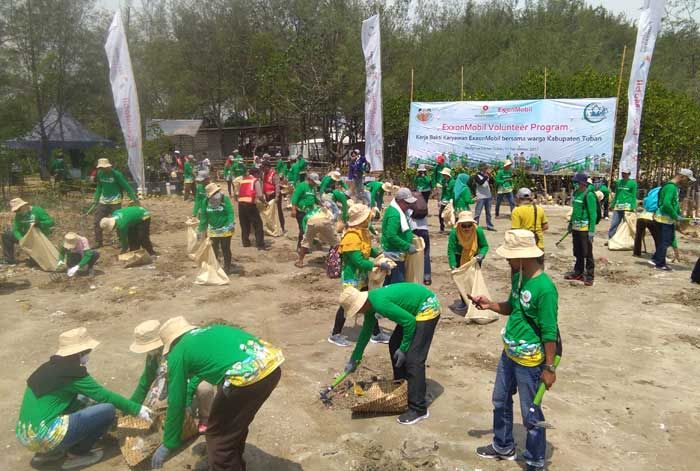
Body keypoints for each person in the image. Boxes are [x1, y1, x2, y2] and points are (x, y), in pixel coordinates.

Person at [471, 230, 558, 471]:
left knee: (530, 413)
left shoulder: (545, 288)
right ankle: (502, 445)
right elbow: (513, 307)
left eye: (511, 256)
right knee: (500, 400)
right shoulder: (519, 277)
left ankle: (535, 459)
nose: (507, 260)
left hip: (530, 361)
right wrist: (490, 304)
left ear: (524, 257)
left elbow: (549, 332)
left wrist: (549, 368)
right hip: (509, 353)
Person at [150, 317, 284, 471]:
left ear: (169, 344)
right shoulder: (209, 332)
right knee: (233, 427)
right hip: (271, 366)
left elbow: (176, 402)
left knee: (218, 438)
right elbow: (211, 367)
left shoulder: (177, 354)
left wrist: (169, 443)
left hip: (248, 379)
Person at [16, 327, 148, 469]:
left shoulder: (48, 368)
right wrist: (137, 409)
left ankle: (50, 452)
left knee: (83, 400)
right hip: (45, 436)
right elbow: (104, 396)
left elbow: (73, 401)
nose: (88, 355)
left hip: (26, 435)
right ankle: (77, 454)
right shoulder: (73, 373)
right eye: (87, 352)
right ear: (80, 353)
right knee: (107, 410)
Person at [341, 283, 441, 425]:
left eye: (357, 310)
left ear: (361, 304)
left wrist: (404, 348)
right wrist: (354, 358)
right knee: (394, 344)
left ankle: (418, 409)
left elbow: (410, 322)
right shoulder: (370, 304)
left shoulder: (379, 303)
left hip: (427, 308)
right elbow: (365, 333)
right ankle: (402, 386)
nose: (358, 313)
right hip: (412, 311)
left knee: (414, 359)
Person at [129, 320, 215, 434]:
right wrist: (130, 407)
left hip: (191, 379)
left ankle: (205, 417)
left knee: (205, 388)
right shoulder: (153, 356)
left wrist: (186, 398)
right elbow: (144, 382)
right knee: (159, 411)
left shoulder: (182, 349)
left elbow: (199, 374)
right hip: (170, 384)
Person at [328, 204, 390, 347]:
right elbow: (358, 262)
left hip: (361, 277)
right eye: (368, 217)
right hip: (352, 278)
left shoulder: (362, 232)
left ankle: (375, 333)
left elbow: (368, 250)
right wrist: (378, 265)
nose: (370, 219)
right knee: (347, 304)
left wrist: (380, 254)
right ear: (361, 220)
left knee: (369, 304)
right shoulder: (351, 237)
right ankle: (335, 334)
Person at [650, 169, 696, 270]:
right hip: (664, 219)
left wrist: (678, 214)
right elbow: (666, 204)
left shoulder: (671, 186)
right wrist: (675, 216)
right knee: (665, 241)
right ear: (682, 177)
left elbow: (672, 203)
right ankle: (659, 264)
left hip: (666, 219)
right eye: (687, 180)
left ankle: (656, 258)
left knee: (667, 240)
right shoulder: (671, 187)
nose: (687, 182)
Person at [92, 158, 139, 248]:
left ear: (109, 166)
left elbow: (126, 186)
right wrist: (95, 198)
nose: (103, 169)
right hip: (103, 201)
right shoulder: (100, 174)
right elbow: (99, 187)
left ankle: (121, 241)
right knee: (97, 221)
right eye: (101, 167)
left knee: (117, 222)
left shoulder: (116, 174)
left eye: (104, 167)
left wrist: (133, 198)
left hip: (115, 201)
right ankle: (99, 242)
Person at [447, 211, 489, 311]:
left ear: (473, 224)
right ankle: (464, 300)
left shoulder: (478, 231)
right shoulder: (454, 232)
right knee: (462, 280)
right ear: (459, 225)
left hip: (475, 257)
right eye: (464, 226)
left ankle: (477, 301)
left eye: (469, 225)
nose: (467, 228)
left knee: (474, 280)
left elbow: (484, 246)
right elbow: (451, 250)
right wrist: (453, 264)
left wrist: (481, 255)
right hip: (459, 256)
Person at [564, 173, 597, 286]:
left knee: (587, 253)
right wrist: (570, 225)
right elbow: (575, 211)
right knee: (577, 252)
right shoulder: (576, 193)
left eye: (576, 182)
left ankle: (589, 276)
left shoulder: (589, 195)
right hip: (576, 227)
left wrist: (591, 231)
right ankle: (578, 273)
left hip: (585, 229)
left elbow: (593, 214)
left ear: (582, 183)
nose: (575, 184)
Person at [381, 188, 418, 284]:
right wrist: (407, 246)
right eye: (407, 203)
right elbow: (391, 235)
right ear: (399, 201)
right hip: (393, 255)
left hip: (396, 253)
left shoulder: (398, 211)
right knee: (397, 284)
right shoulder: (395, 214)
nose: (409, 206)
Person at [2, 198, 54, 265]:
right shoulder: (19, 215)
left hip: (39, 238)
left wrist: (39, 223)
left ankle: (35, 258)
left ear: (24, 205)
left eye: (18, 209)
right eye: (15, 211)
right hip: (26, 237)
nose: (17, 212)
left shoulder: (38, 210)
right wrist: (20, 239)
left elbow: (51, 222)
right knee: (7, 235)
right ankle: (9, 260)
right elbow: (16, 229)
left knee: (33, 263)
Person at [295, 192, 340, 268]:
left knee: (305, 242)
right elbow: (331, 222)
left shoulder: (308, 214)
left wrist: (314, 241)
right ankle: (336, 260)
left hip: (312, 221)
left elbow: (304, 229)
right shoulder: (326, 210)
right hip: (325, 220)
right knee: (335, 241)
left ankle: (300, 261)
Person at [198, 183, 235, 274]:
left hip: (225, 228)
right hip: (213, 230)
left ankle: (227, 268)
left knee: (225, 248)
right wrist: (200, 230)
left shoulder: (224, 199)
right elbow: (204, 217)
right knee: (214, 249)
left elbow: (230, 212)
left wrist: (230, 223)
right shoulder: (205, 202)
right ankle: (215, 267)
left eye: (217, 192)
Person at [511, 188, 548, 264]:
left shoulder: (516, 211)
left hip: (524, 245)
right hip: (539, 244)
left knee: (524, 270)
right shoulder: (539, 209)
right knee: (539, 270)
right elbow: (545, 226)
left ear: (518, 198)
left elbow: (515, 231)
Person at [238, 167, 266, 250]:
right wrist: (264, 202)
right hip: (250, 204)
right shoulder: (255, 181)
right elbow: (260, 195)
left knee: (244, 224)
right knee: (258, 224)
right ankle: (260, 243)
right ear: (256, 174)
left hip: (241, 204)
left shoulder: (243, 180)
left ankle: (245, 242)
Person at [291, 172, 320, 250]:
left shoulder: (313, 188)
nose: (315, 184)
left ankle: (307, 245)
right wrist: (293, 209)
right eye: (314, 182)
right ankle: (300, 247)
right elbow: (295, 197)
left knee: (309, 229)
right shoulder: (301, 186)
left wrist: (321, 204)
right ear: (310, 179)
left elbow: (315, 198)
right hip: (301, 212)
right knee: (303, 229)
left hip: (310, 212)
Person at [608, 168, 638, 239]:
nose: (623, 174)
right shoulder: (618, 182)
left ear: (629, 174)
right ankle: (610, 238)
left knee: (627, 225)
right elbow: (617, 194)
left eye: (625, 173)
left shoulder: (633, 183)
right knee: (614, 224)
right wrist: (612, 204)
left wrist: (633, 206)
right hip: (618, 207)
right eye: (622, 173)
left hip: (628, 208)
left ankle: (627, 240)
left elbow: (634, 195)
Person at [410, 191, 432, 285]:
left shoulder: (409, 204)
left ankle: (414, 276)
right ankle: (427, 277)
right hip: (424, 230)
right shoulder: (423, 204)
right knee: (425, 253)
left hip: (412, 230)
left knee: (412, 253)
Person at [473, 164, 496, 231]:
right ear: (482, 169)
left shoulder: (487, 175)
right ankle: (475, 226)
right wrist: (486, 176)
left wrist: (490, 176)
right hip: (480, 196)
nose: (486, 170)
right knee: (478, 212)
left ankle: (490, 226)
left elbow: (493, 182)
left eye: (487, 169)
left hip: (488, 196)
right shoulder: (477, 176)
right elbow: (480, 183)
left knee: (488, 212)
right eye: (485, 169)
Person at [438, 167, 454, 232]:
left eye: (444, 174)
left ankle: (453, 229)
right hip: (444, 200)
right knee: (440, 214)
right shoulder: (443, 181)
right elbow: (443, 191)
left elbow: (453, 192)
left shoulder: (453, 182)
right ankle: (442, 227)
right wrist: (441, 200)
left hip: (450, 201)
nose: (443, 175)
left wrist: (452, 200)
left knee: (450, 215)